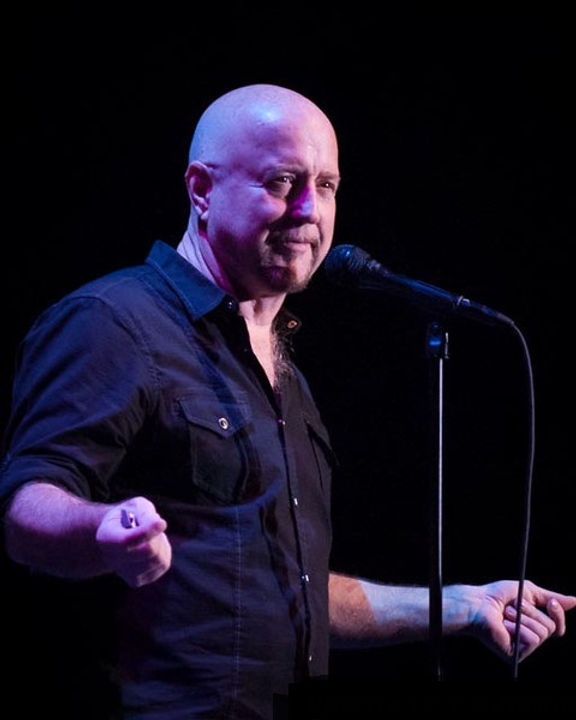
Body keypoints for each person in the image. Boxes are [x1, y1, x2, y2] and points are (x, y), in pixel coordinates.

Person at [0, 84, 574, 719]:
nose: (309, 210)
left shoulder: (284, 372)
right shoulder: (113, 322)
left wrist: (461, 605)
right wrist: (101, 530)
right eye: (282, 182)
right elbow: (27, 507)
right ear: (201, 190)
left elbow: (292, 593)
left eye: (326, 186)